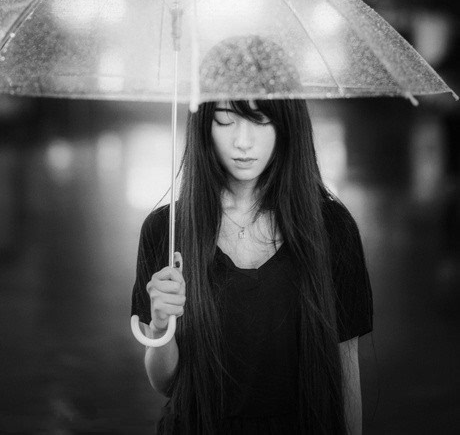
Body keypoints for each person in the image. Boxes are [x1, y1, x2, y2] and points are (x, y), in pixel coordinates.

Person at [131, 36, 373, 434]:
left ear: (287, 123)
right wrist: (160, 326)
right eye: (225, 120)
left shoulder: (331, 229)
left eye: (260, 120)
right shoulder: (167, 230)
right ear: (204, 125)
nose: (243, 142)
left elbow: (345, 371)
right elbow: (166, 383)